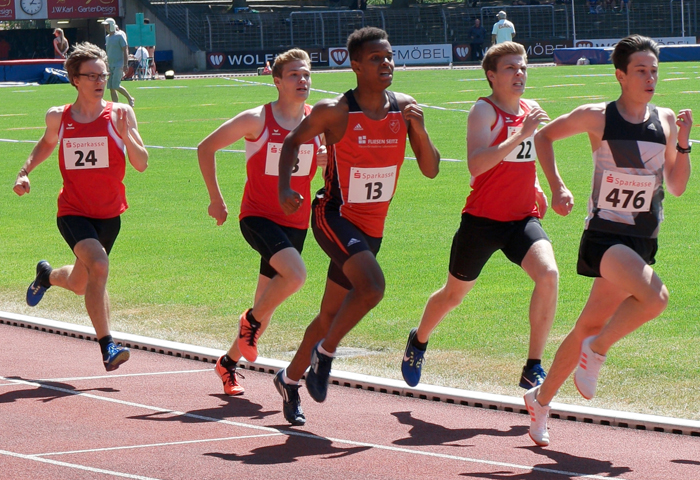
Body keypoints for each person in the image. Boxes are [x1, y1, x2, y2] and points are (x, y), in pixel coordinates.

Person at [524, 35, 692, 447]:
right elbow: (543, 138)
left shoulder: (666, 120)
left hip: (643, 239)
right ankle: (596, 351)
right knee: (656, 299)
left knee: (589, 322)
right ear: (620, 75)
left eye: (654, 70)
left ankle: (540, 400)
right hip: (604, 237)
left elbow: (677, 184)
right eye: (641, 70)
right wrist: (558, 185)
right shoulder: (597, 116)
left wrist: (684, 143)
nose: (650, 77)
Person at [273, 26, 440, 426]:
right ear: (355, 65)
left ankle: (289, 379)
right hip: (334, 216)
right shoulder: (336, 111)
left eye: (389, 57)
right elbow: (293, 141)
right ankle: (325, 357)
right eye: (376, 59)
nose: (386, 65)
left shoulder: (405, 107)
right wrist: (284, 187)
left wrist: (419, 127)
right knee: (373, 287)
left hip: (372, 228)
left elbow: (432, 169)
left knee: (330, 315)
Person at [400, 41, 557, 393]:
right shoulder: (484, 112)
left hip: (521, 219)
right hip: (482, 221)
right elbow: (477, 164)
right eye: (510, 68)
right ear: (491, 75)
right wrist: (520, 133)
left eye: (523, 67)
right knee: (453, 296)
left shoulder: (530, 109)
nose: (519, 74)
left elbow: (527, 156)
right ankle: (420, 339)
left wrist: (539, 187)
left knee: (548, 274)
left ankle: (533, 366)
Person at [13, 42, 148, 372]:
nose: (100, 80)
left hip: (110, 213)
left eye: (103, 74)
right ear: (75, 79)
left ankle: (46, 276)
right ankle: (108, 346)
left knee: (79, 283)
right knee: (99, 266)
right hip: (73, 210)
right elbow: (47, 143)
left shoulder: (120, 114)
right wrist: (25, 171)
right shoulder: (59, 116)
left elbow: (142, 163)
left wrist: (125, 134)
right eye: (92, 75)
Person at [198, 49, 324, 399]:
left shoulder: (316, 123)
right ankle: (248, 321)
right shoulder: (256, 120)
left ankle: (226, 363)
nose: (303, 81)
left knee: (264, 308)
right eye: (295, 75)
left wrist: (327, 161)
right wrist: (216, 199)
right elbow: (205, 148)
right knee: (295, 276)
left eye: (307, 75)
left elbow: (334, 164)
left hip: (295, 222)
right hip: (257, 217)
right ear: (277, 81)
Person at [102, 18, 135, 107]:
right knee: (111, 87)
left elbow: (125, 50)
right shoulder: (107, 38)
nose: (105, 27)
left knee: (116, 85)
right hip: (111, 64)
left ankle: (130, 98)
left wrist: (125, 64)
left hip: (118, 64)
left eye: (107, 25)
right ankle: (115, 105)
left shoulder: (120, 35)